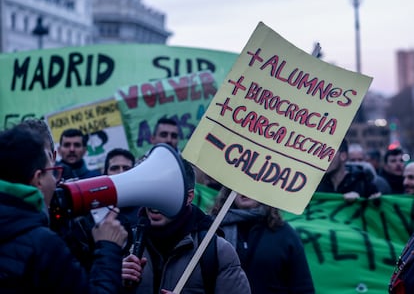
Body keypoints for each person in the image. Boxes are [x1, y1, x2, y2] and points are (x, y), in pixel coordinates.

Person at [0, 125, 128, 293]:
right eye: (52, 172)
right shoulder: (43, 243)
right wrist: (108, 248)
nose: (55, 182)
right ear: (38, 179)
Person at [121, 159, 251, 294]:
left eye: (165, 192)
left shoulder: (217, 250)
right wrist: (115, 281)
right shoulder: (123, 243)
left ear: (188, 197)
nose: (155, 201)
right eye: (152, 191)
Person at [209, 187, 315, 294]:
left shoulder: (285, 234)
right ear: (229, 190)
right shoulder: (212, 230)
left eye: (252, 184)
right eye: (240, 183)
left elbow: (302, 288)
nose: (245, 189)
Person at [316, 139, 381, 200]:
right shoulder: (316, 183)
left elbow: (377, 208)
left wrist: (363, 201)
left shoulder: (363, 183)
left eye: (328, 153)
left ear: (343, 156)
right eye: (320, 154)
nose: (322, 158)